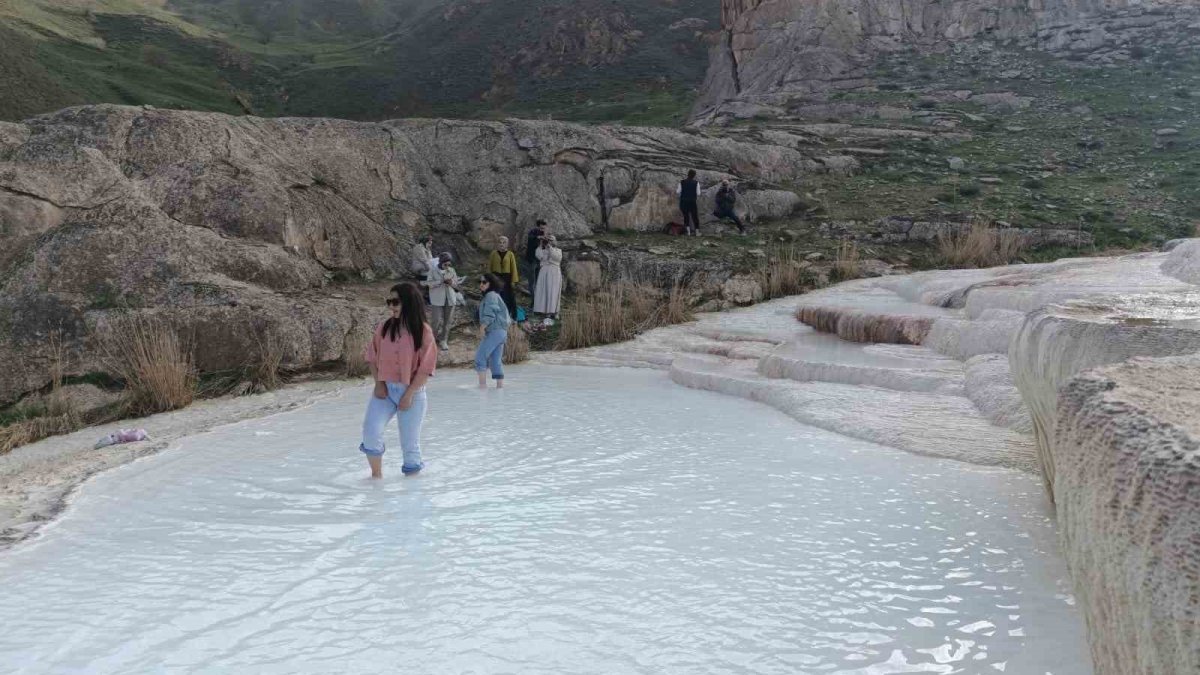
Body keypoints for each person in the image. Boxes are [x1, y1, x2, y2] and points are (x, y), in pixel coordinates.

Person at [360, 282, 437, 479]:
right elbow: (371, 356)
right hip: (384, 390)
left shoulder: (423, 331)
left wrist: (409, 394)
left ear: (408, 303)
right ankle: (376, 481)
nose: (391, 306)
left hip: (412, 392)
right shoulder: (384, 327)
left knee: (410, 446)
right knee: (370, 432)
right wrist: (378, 383)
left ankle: (412, 495)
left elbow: (425, 368)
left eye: (396, 302)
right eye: (389, 302)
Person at [475, 273, 511, 389]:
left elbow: (490, 314)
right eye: (480, 282)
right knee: (495, 361)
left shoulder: (491, 295)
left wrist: (482, 328)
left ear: (491, 284)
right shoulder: (494, 295)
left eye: (484, 282)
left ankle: (482, 388)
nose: (481, 284)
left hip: (495, 331)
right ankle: (500, 389)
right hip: (501, 332)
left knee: (480, 357)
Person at [423, 252, 461, 351]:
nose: (447, 266)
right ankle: (432, 340)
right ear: (440, 262)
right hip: (437, 299)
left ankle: (443, 340)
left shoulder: (451, 270)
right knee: (436, 321)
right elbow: (428, 283)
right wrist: (440, 282)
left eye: (449, 264)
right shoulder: (433, 270)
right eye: (445, 264)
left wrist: (452, 282)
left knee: (448, 321)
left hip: (450, 299)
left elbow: (456, 284)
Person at [487, 236, 520, 319]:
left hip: (506, 278)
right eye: (500, 242)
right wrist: (488, 278)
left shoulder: (510, 254)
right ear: (497, 244)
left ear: (507, 244)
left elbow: (514, 268)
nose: (502, 244)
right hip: (496, 277)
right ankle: (495, 314)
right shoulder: (493, 253)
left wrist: (513, 281)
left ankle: (506, 314)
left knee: (507, 296)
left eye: (504, 242)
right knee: (496, 295)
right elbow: (489, 267)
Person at [534, 234, 563, 323]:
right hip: (544, 272)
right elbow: (538, 255)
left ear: (555, 241)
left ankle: (553, 311)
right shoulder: (544, 250)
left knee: (553, 291)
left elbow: (557, 258)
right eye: (549, 240)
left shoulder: (558, 250)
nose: (550, 241)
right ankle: (544, 310)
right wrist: (541, 244)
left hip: (554, 273)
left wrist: (550, 247)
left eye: (552, 240)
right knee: (543, 291)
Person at [524, 220, 546, 299]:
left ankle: (536, 299)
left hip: (539, 261)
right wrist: (538, 237)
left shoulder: (544, 234)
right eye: (541, 228)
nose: (542, 230)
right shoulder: (532, 232)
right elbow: (530, 238)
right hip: (531, 260)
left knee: (538, 281)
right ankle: (533, 299)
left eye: (543, 228)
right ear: (538, 226)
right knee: (531, 281)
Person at [677, 169, 702, 236]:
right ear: (694, 175)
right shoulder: (696, 183)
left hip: (683, 201)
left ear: (688, 174)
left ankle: (688, 232)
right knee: (695, 217)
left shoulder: (682, 182)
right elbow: (698, 193)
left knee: (686, 216)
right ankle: (697, 232)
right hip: (692, 201)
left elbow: (678, 191)